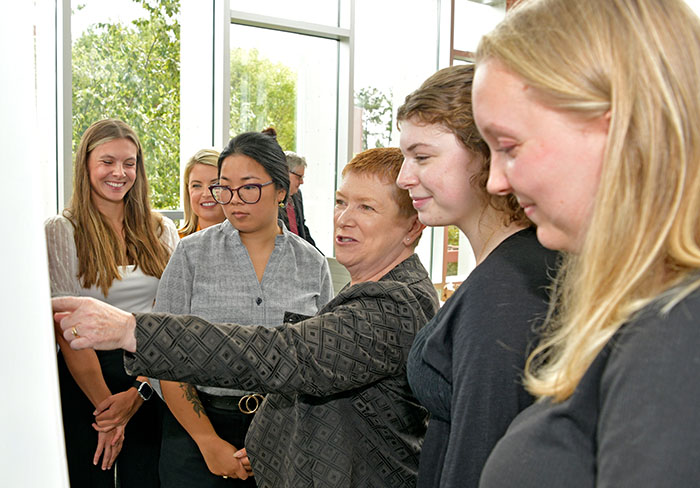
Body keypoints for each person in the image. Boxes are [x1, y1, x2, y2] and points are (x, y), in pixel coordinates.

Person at [54, 147, 439, 488]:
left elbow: (283, 354)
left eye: (367, 207)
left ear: (412, 226)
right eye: (341, 202)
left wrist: (130, 328)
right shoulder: (192, 253)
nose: (344, 219)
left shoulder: (391, 303)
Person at [468, 0, 700, 485]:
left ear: (618, 128)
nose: (495, 182)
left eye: (509, 147)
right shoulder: (649, 310)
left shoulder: (678, 331)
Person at [396, 64, 557, 487]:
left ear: (488, 154)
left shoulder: (505, 291)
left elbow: (480, 458)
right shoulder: (519, 263)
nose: (403, 177)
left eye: (422, 157)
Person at [157, 131, 333, 487]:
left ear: (281, 191)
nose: (234, 201)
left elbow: (320, 365)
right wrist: (208, 443)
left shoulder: (311, 264)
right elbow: (166, 357)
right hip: (197, 435)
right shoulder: (191, 255)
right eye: (225, 188)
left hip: (284, 435)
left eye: (249, 187)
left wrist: (271, 438)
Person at [44, 118, 179, 487]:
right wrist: (109, 413)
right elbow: (66, 327)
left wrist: (138, 393)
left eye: (129, 162)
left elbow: (173, 321)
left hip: (150, 379)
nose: (119, 173)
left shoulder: (161, 230)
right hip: (85, 381)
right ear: (85, 164)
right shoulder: (61, 230)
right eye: (107, 161)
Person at [178, 148, 225, 238]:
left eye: (216, 184)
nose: (206, 194)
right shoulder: (175, 242)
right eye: (196, 186)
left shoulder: (250, 240)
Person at [279, 151, 316, 247]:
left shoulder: (297, 195)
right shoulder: (272, 198)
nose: (302, 182)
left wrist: (318, 255)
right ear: (285, 172)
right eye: (299, 177)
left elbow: (302, 227)